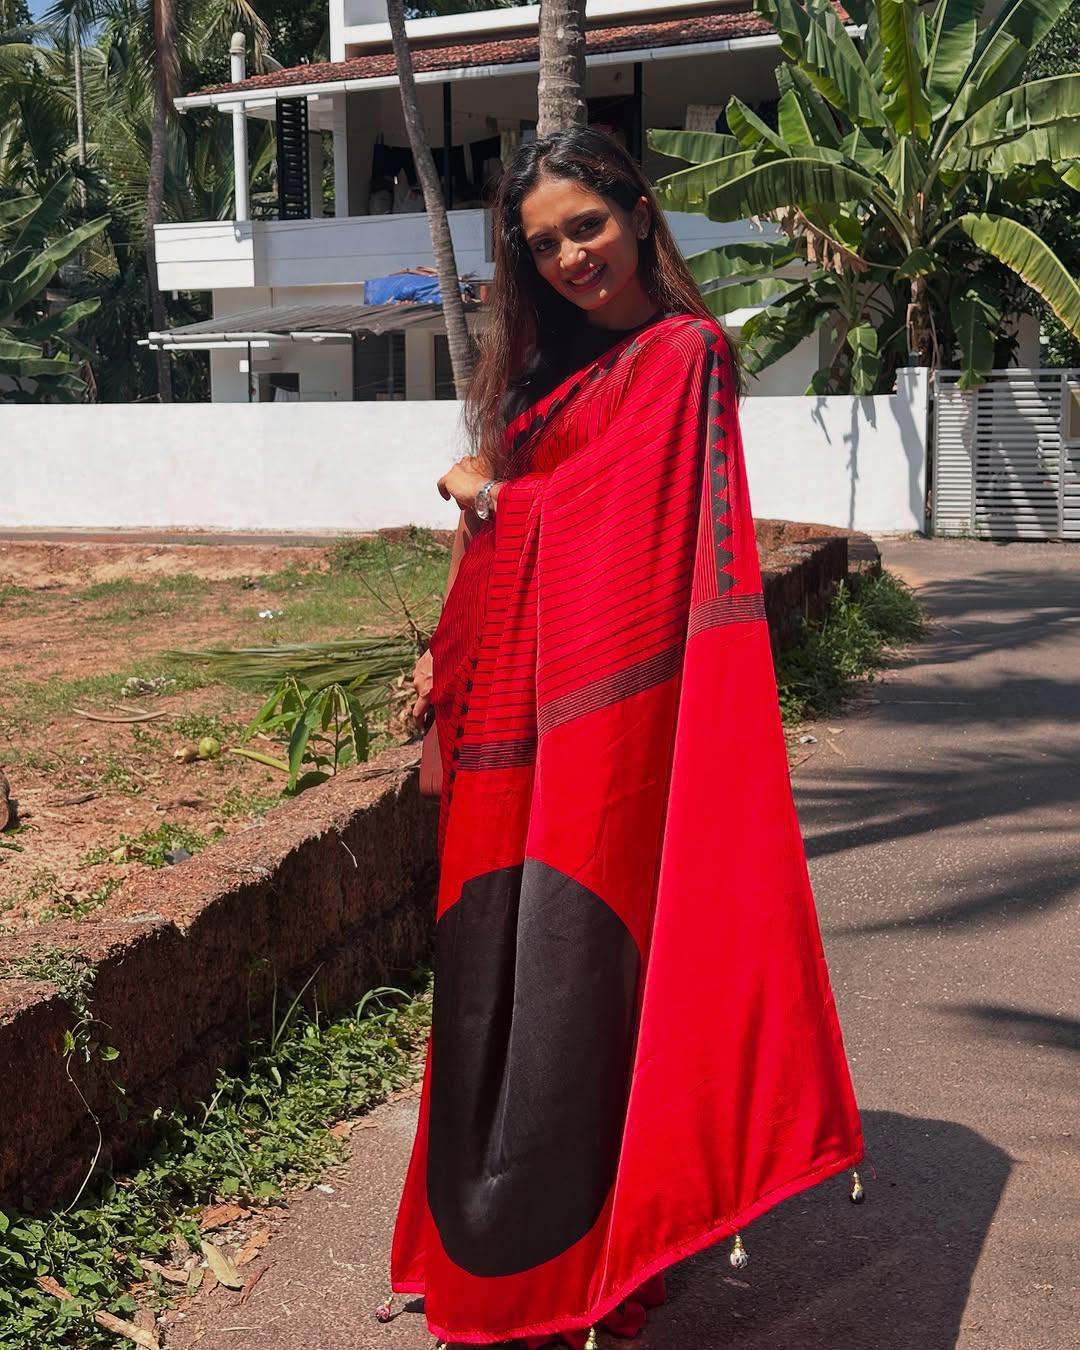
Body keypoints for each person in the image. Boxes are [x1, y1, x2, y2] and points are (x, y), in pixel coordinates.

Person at [382, 128, 863, 1349]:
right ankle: (498, 1251)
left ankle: (592, 1260)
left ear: (641, 215)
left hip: (612, 720)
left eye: (584, 228)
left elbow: (620, 518)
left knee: (578, 975)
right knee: (492, 962)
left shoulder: (685, 354)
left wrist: (491, 493)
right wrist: (495, 475)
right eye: (542, 246)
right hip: (515, 717)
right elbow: (548, 477)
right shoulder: (551, 370)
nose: (569, 259)